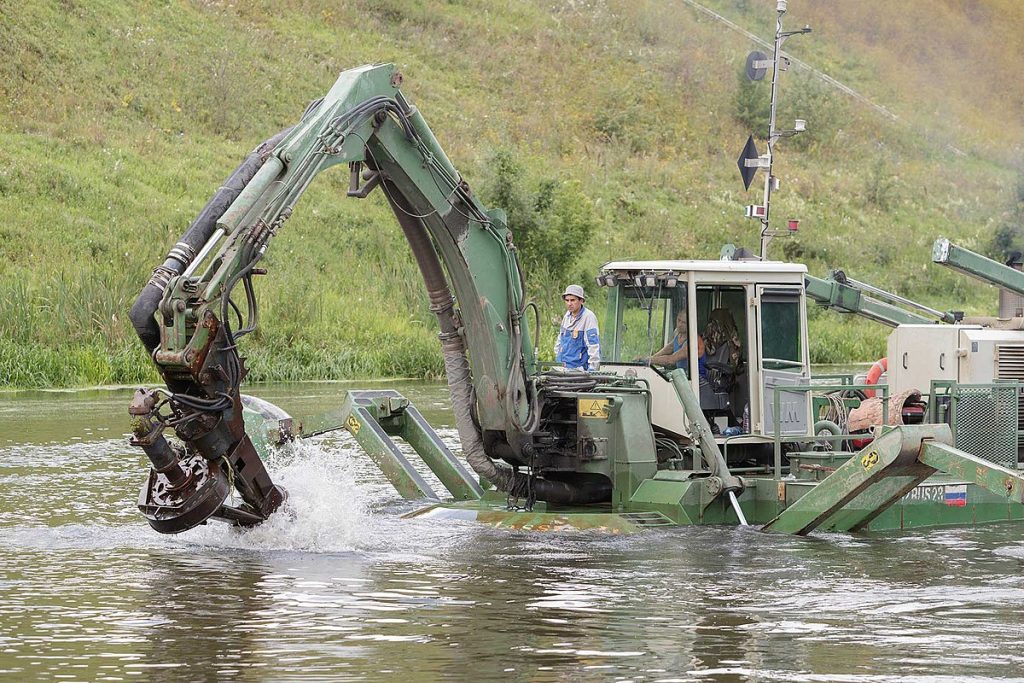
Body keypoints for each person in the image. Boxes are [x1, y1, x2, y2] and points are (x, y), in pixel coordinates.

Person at [643, 310, 706, 379]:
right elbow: (670, 347)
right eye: (679, 320)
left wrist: (647, 360)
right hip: (682, 376)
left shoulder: (694, 341)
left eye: (684, 322)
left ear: (690, 324)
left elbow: (671, 360)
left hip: (697, 380)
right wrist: (652, 357)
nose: (679, 325)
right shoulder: (677, 332)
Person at [554, 284, 601, 371]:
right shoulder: (567, 316)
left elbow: (593, 346)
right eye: (567, 300)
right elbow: (560, 340)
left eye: (572, 300)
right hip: (563, 368)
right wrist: (558, 359)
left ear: (581, 300)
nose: (569, 304)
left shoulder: (588, 317)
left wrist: (592, 370)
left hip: (579, 371)